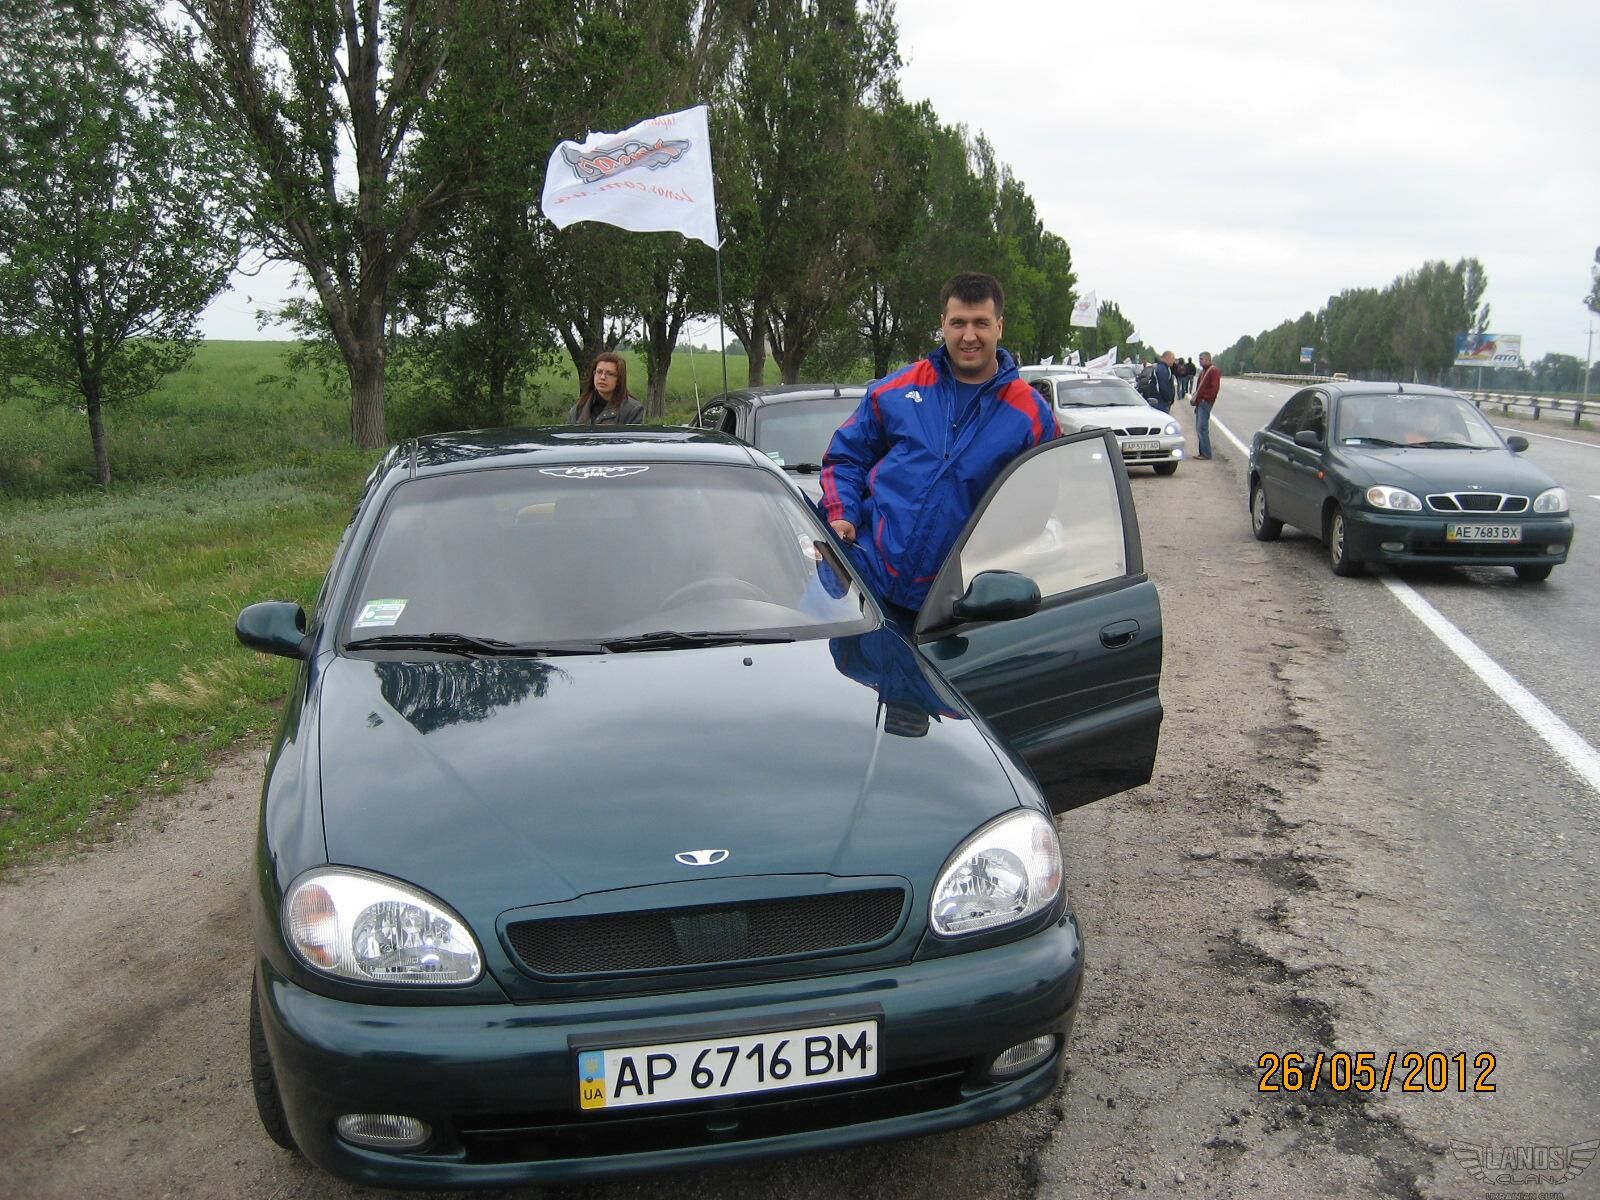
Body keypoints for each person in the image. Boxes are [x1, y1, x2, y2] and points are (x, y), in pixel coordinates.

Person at [820, 272, 1058, 622]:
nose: (969, 336)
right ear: (943, 323)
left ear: (999, 327)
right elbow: (845, 458)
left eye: (981, 323)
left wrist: (988, 563)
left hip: (957, 607)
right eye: (958, 323)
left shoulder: (1032, 415)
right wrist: (841, 513)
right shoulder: (895, 391)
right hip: (864, 587)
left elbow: (1037, 504)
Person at [568, 352, 644, 425]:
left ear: (619, 379)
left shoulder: (633, 410)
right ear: (594, 374)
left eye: (610, 374)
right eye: (599, 372)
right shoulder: (578, 410)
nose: (602, 377)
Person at [1191, 351, 1221, 458]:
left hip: (1205, 402)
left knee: (1202, 428)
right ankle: (1202, 452)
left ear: (1208, 359)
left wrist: (1205, 398)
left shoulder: (1213, 371)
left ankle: (1206, 453)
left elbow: (1214, 388)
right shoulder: (1203, 371)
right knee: (1199, 428)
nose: (1200, 361)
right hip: (1200, 402)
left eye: (1201, 359)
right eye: (1199, 359)